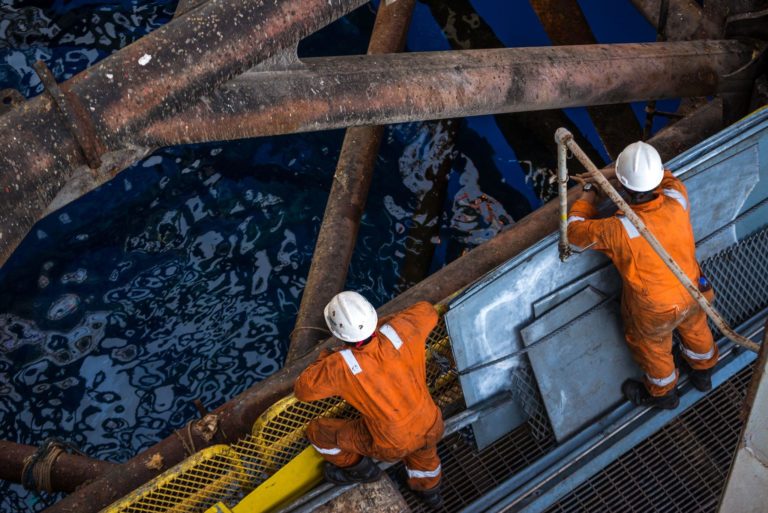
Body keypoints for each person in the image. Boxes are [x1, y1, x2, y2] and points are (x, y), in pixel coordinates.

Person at [567, 141, 718, 410]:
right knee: (696, 328)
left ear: (624, 188)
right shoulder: (677, 197)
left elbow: (574, 231)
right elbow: (667, 177)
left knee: (653, 348)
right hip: (693, 288)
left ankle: (664, 395)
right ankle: (703, 373)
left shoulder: (618, 229)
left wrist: (589, 193)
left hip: (656, 311)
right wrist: (616, 173)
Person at [294, 291, 444, 508]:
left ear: (339, 333)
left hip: (391, 445)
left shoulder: (339, 366)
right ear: (371, 314)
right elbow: (428, 310)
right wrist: (386, 325)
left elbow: (302, 390)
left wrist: (328, 356)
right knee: (425, 456)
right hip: (431, 422)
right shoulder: (402, 329)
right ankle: (431, 495)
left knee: (319, 432)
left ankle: (361, 470)